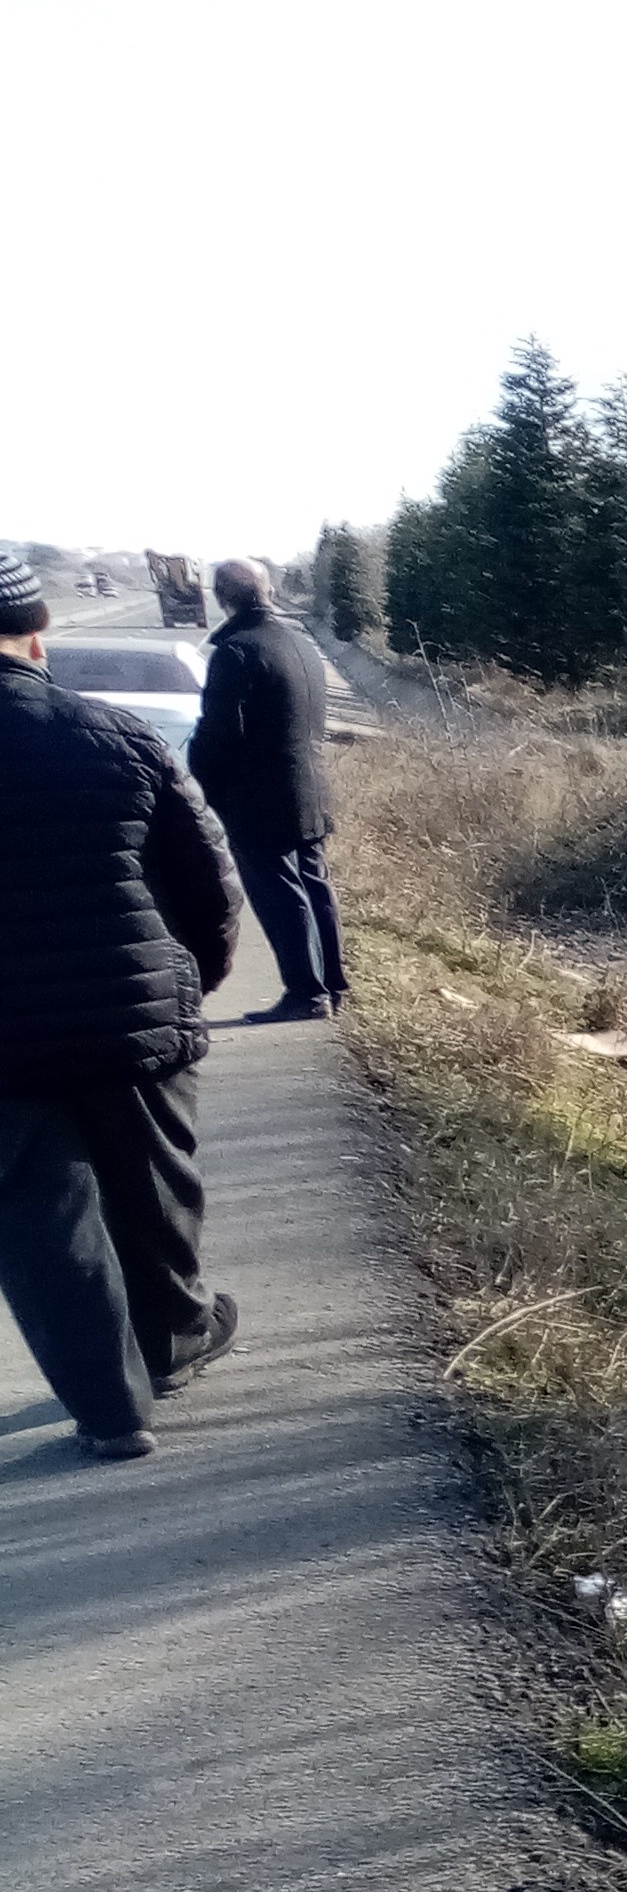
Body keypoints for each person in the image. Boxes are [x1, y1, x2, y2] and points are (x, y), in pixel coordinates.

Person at [0, 548, 243, 1457]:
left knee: (39, 1221)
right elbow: (208, 882)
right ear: (38, 632)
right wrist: (191, 983)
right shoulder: (115, 735)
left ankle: (111, 1413)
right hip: (127, 1013)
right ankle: (175, 1339)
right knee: (152, 1183)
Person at [191, 555, 350, 1019]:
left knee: (281, 894)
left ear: (222, 599)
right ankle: (332, 985)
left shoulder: (237, 650)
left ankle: (307, 993)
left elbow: (218, 731)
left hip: (259, 795)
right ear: (270, 592)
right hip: (309, 784)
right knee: (314, 886)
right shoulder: (298, 643)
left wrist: (199, 785)